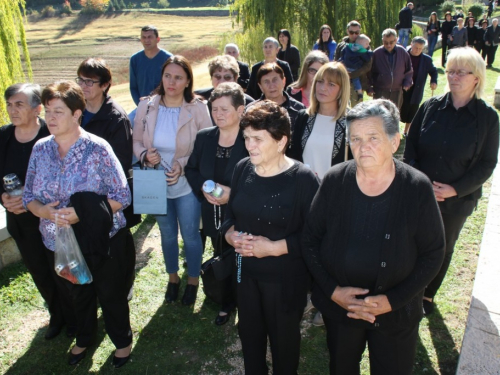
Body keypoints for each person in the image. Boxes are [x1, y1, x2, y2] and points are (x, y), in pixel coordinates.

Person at [302, 99, 445, 375]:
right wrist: (333, 291)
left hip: (397, 313)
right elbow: (309, 240)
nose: (362, 146)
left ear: (394, 142)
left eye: (373, 138)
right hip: (342, 310)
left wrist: (393, 300)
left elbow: (433, 253)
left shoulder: (416, 188)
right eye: (355, 138)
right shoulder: (334, 181)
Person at [23, 80, 133, 368]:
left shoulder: (97, 149)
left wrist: (83, 213)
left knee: (110, 294)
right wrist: (45, 212)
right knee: (78, 294)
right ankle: (85, 337)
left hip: (102, 240)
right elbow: (28, 197)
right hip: (59, 241)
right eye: (48, 111)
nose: (51, 118)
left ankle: (122, 341)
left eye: (59, 111)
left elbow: (122, 196)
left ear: (76, 114)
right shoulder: (40, 149)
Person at [221, 100, 320, 374]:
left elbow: (317, 236)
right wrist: (230, 234)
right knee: (249, 336)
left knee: (283, 342)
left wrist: (275, 247)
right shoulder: (243, 168)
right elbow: (231, 213)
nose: (249, 145)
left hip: (285, 279)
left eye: (257, 139)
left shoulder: (303, 180)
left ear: (281, 141)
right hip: (244, 273)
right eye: (247, 138)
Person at [404, 47, 499, 315]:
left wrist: (454, 190)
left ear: (477, 78)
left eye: (461, 72)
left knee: (442, 247)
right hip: (421, 193)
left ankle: (428, 294)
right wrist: (421, 181)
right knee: (412, 241)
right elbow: (411, 148)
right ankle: (408, 287)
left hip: (457, 202)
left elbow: (487, 164)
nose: (453, 76)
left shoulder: (488, 119)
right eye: (451, 70)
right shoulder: (430, 107)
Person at [133, 56, 212, 306]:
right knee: (167, 235)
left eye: (178, 77)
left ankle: (192, 281)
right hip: (156, 184)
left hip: (186, 183)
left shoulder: (198, 107)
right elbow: (135, 141)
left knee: (190, 235)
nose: (172, 82)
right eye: (168, 76)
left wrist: (184, 163)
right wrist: (145, 154)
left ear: (188, 80)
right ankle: (172, 278)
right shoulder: (146, 106)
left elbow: (207, 144)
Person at [1, 83, 76, 340]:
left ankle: (77, 316)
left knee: (64, 269)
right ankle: (57, 316)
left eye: (19, 104)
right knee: (39, 271)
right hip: (21, 221)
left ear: (37, 109)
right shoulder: (3, 138)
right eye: (10, 104)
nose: (13, 110)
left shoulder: (52, 133)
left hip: (53, 218)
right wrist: (3, 199)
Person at [185, 82, 249, 326]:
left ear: (241, 110)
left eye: (225, 109)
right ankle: (226, 302)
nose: (218, 114)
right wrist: (203, 187)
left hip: (244, 213)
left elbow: (261, 176)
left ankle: (247, 305)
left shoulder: (250, 138)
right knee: (221, 256)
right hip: (213, 213)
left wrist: (233, 194)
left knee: (245, 260)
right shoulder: (205, 138)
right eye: (215, 109)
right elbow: (191, 169)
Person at [75, 57, 138, 297]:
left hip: (108, 193)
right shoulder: (76, 111)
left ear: (105, 85)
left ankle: (126, 282)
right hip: (80, 193)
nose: (84, 86)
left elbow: (119, 163)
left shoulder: (116, 118)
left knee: (118, 244)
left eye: (90, 81)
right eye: (80, 80)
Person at [288, 62, 352, 180]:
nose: (323, 88)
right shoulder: (304, 117)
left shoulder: (350, 122)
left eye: (331, 84)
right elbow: (294, 156)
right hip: (305, 190)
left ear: (342, 90)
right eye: (320, 81)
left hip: (335, 192)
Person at [129, 25, 172, 125]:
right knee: (126, 124)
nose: (146, 40)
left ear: (158, 39)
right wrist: (142, 106)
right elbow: (133, 87)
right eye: (144, 37)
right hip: (142, 107)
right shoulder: (135, 59)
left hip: (164, 106)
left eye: (150, 37)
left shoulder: (168, 59)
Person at [195, 55, 254, 123]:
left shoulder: (249, 103)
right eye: (218, 77)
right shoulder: (199, 99)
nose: (222, 81)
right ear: (211, 78)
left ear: (235, 79)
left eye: (227, 77)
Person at [246, 63, 305, 130]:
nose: (271, 85)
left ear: (283, 81)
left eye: (275, 80)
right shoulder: (251, 111)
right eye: (266, 82)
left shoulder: (299, 109)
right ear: (260, 87)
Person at [400, 37, 438, 135]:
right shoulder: (403, 55)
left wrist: (433, 81)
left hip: (417, 88)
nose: (417, 50)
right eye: (416, 47)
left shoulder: (426, 60)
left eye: (420, 49)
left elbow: (433, 71)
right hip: (402, 87)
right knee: (400, 108)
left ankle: (406, 131)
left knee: (413, 110)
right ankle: (395, 131)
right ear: (411, 44)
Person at [368, 28, 413, 109]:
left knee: (394, 116)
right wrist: (369, 87)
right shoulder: (376, 53)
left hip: (397, 91)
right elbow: (369, 72)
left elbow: (409, 70)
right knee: (380, 117)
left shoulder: (402, 52)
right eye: (386, 42)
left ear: (396, 40)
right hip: (380, 91)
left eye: (391, 42)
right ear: (382, 40)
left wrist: (407, 82)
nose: (388, 45)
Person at [334, 20, 373, 106]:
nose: (354, 35)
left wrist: (353, 74)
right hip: (343, 81)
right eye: (352, 32)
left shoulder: (365, 45)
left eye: (357, 32)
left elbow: (368, 66)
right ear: (347, 31)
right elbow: (335, 62)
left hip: (358, 81)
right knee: (341, 107)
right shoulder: (341, 46)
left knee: (357, 109)